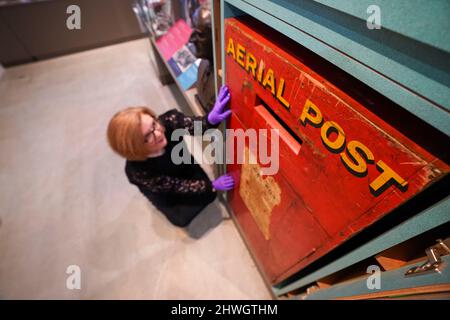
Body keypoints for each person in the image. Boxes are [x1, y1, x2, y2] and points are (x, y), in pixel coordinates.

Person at [107, 85, 235, 228]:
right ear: (134, 147)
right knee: (183, 219)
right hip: (167, 190)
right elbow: (175, 186)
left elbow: (193, 126)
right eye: (147, 136)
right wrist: (211, 185)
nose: (158, 132)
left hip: (183, 166)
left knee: (209, 196)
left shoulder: (167, 121)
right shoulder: (138, 171)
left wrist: (210, 119)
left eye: (153, 124)